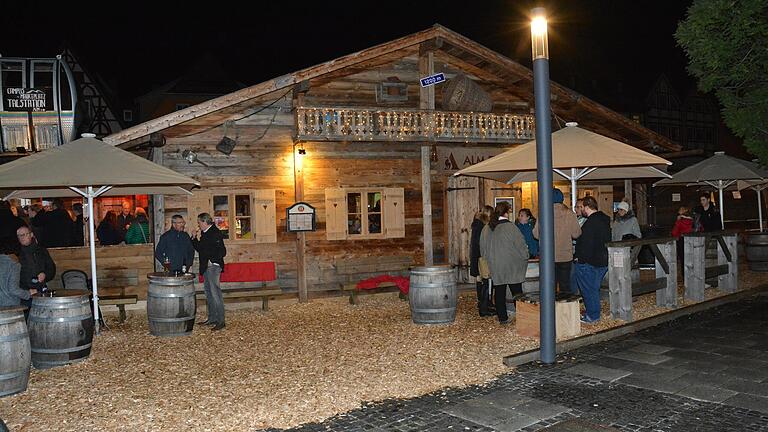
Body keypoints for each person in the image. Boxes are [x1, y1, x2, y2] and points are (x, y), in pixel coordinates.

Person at [479, 202, 529, 325]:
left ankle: (503, 318)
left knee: (499, 292)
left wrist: (488, 260)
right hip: (513, 264)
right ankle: (524, 318)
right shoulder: (511, 227)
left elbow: (483, 248)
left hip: (496, 264)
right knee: (517, 292)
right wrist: (526, 256)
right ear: (506, 213)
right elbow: (521, 245)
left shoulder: (487, 227)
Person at [534, 188, 582, 294]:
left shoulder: (543, 213)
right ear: (562, 199)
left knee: (550, 287)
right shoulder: (569, 214)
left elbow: (536, 234)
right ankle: (564, 309)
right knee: (565, 286)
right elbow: (576, 234)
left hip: (548, 257)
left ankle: (551, 309)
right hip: (565, 256)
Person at [574, 196, 611, 324]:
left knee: (588, 290)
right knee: (594, 289)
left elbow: (587, 245)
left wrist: (580, 259)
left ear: (587, 207)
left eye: (581, 207)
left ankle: (592, 316)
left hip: (590, 262)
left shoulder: (590, 223)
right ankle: (593, 312)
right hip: (602, 260)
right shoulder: (604, 220)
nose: (581, 210)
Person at [192, 213, 227, 331]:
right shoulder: (205, 233)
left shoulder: (214, 233)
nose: (198, 224)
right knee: (209, 293)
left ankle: (221, 321)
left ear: (205, 222)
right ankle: (212, 318)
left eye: (199, 222)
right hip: (206, 267)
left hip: (213, 267)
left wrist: (212, 260)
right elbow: (200, 248)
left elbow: (222, 251)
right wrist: (193, 238)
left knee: (215, 293)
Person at [16, 226, 56, 307]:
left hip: (41, 291)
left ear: (31, 235)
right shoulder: (16, 254)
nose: (22, 237)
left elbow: (51, 268)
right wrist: (26, 291)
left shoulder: (41, 251)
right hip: (23, 295)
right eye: (19, 235)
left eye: (24, 234)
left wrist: (45, 274)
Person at [470, 205, 494, 317]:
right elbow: (480, 244)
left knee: (481, 280)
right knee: (485, 281)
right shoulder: (481, 226)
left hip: (477, 256)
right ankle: (484, 308)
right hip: (481, 257)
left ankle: (484, 304)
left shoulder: (477, 224)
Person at [672, 206, 694, 277]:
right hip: (692, 240)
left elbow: (674, 232)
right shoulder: (693, 220)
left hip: (682, 241)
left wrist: (677, 221)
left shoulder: (680, 221)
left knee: (683, 260)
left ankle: (685, 277)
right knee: (692, 258)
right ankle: (692, 275)